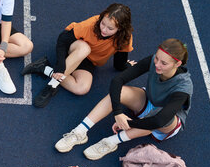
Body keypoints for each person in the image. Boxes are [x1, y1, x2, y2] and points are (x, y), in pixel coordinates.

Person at [54, 38, 192, 160]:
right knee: (121, 92)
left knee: (158, 119)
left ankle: (111, 142)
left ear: (177, 64)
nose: (157, 64)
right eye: (157, 58)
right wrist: (118, 113)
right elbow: (118, 80)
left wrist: (128, 124)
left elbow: (159, 120)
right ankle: (80, 131)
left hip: (166, 121)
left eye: (163, 63)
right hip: (149, 100)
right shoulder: (154, 60)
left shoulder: (183, 87)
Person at [23, 3, 133, 108]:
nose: (103, 29)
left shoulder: (124, 38)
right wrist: (60, 67)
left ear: (120, 29)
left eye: (110, 28)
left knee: (82, 88)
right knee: (85, 49)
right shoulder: (90, 25)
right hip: (74, 48)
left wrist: (126, 66)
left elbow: (119, 63)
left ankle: (44, 68)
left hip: (89, 60)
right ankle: (52, 85)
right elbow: (63, 40)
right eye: (103, 23)